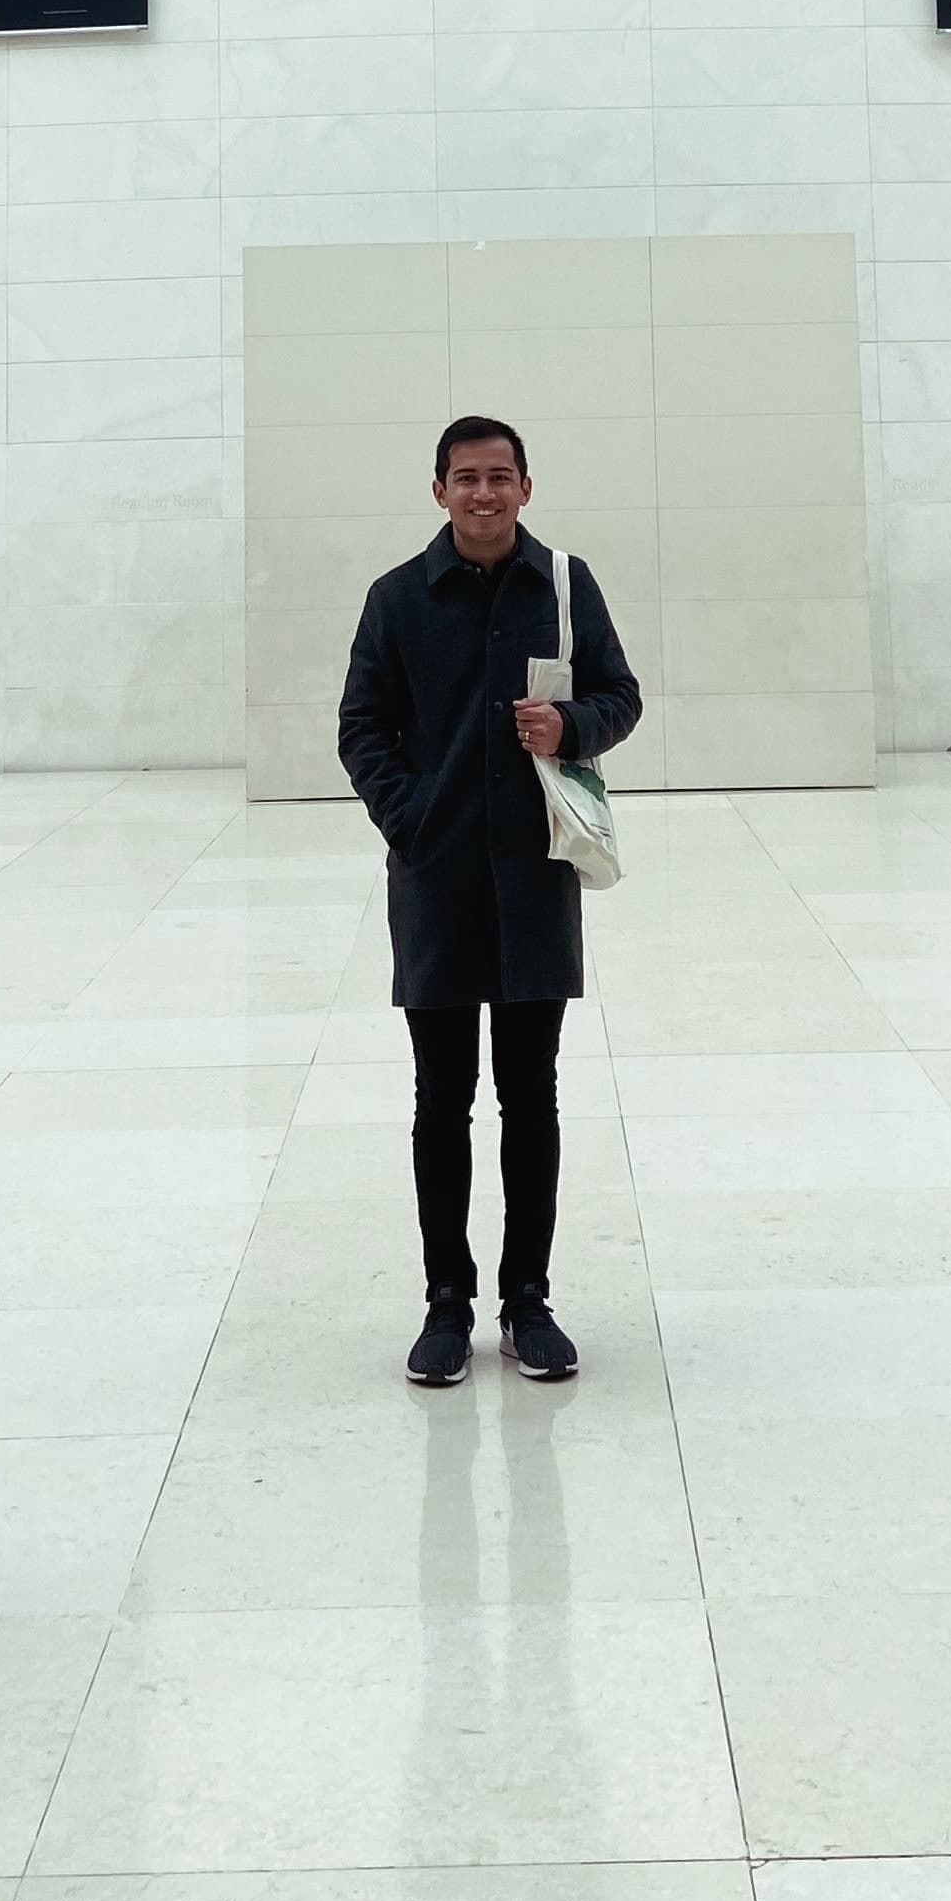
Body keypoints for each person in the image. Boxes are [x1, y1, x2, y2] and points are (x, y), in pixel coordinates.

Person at [336, 415, 641, 1389]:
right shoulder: (396, 599)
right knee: (440, 1102)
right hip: (434, 885)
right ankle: (444, 1303)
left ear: (525, 486)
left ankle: (528, 1301)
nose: (484, 494)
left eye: (500, 477)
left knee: (532, 1097)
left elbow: (621, 695)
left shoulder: (563, 585)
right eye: (466, 478)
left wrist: (572, 723)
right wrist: (413, 818)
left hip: (535, 880)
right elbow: (361, 725)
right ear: (438, 491)